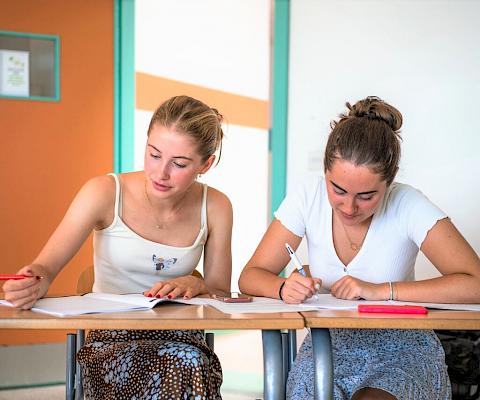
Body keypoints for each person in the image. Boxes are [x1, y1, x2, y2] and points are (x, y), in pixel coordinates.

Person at [239, 96, 480, 400]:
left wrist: (382, 290)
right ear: (325, 173)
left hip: (403, 349)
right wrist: (283, 286)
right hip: (326, 346)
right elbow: (250, 276)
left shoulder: (407, 203)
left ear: (389, 182)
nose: (349, 207)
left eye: (366, 196)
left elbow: (476, 282)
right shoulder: (307, 196)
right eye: (337, 189)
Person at [3, 95, 233, 400]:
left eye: (179, 164)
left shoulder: (216, 206)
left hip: (182, 335)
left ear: (206, 163)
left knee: (185, 360)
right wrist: (33, 281)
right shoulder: (103, 192)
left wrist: (196, 282)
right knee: (184, 364)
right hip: (111, 340)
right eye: (153, 155)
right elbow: (46, 267)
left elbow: (220, 293)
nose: (161, 173)